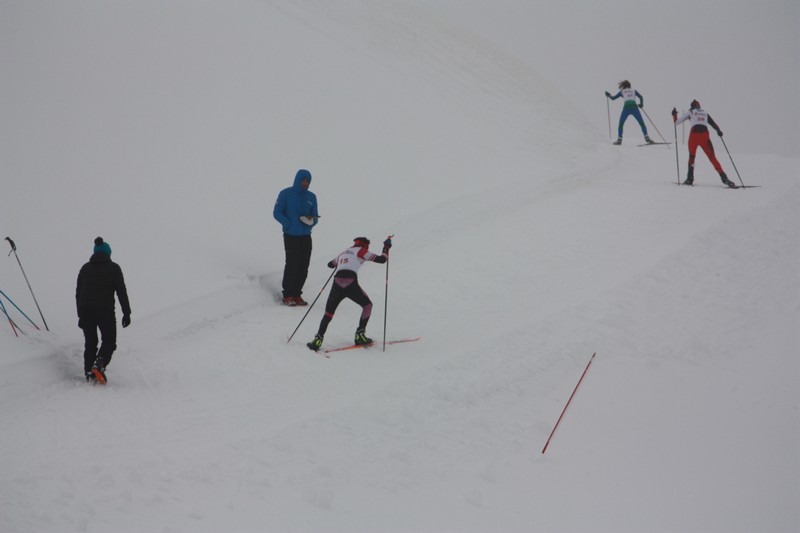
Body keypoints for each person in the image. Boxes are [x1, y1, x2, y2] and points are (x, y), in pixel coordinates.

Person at [307, 236, 392, 352]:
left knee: (328, 313)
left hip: (337, 284)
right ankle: (360, 335)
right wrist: (386, 247)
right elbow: (382, 260)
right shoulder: (362, 251)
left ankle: (317, 340)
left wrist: (340, 262)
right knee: (367, 305)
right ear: (364, 245)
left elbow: (330, 264)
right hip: (350, 283)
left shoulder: (344, 252)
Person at [76, 237, 131, 384]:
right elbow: (121, 291)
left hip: (85, 310)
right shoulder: (114, 268)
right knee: (109, 340)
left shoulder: (85, 268)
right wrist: (127, 312)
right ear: (108, 254)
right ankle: (99, 364)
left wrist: (80, 315)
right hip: (104, 310)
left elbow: (78, 293)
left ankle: (89, 372)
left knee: (91, 341)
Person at [273, 169, 319, 306]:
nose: (305, 183)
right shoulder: (285, 194)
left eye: (307, 181)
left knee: (303, 266)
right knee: (292, 264)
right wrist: (288, 223)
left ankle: (297, 294)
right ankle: (287, 295)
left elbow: (315, 216)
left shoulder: (312, 197)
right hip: (291, 235)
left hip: (306, 236)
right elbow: (277, 212)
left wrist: (312, 222)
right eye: (303, 180)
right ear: (297, 179)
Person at [672, 100, 735, 188]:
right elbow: (713, 124)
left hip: (694, 135)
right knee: (712, 158)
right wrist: (718, 131)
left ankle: (690, 179)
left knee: (692, 157)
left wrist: (674, 115)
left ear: (692, 106)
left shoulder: (691, 112)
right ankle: (724, 178)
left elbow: (676, 123)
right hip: (704, 136)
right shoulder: (705, 113)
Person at [605, 80, 654, 145]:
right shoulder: (634, 91)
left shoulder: (622, 92)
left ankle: (619, 140)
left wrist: (609, 95)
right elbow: (641, 97)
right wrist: (641, 104)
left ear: (623, 86)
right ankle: (647, 138)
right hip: (634, 107)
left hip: (626, 108)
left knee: (621, 124)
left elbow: (613, 98)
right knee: (641, 123)